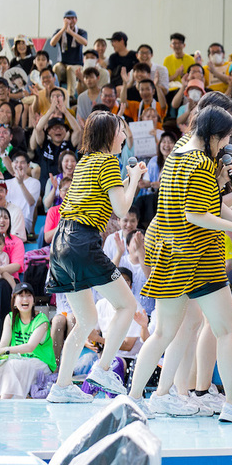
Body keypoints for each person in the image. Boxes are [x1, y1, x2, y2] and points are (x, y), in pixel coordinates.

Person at [126, 106, 232, 419]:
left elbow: (209, 204)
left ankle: (135, 397)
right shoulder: (200, 162)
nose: (227, 144)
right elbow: (197, 214)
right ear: (214, 135)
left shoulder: (178, 152)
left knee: (166, 332)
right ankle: (230, 405)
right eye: (226, 137)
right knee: (226, 330)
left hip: (170, 255)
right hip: (196, 255)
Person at [45, 112, 143, 403]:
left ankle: (61, 387)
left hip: (62, 243)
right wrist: (135, 178)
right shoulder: (109, 161)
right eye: (120, 131)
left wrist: (126, 179)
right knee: (127, 305)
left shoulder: (87, 160)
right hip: (82, 242)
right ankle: (102, 368)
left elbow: (110, 197)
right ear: (109, 135)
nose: (124, 137)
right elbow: (123, 209)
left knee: (86, 319)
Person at [0, 282, 55, 399]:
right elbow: (3, 343)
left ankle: (5, 401)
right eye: (21, 295)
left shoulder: (41, 320)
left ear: (34, 300)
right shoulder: (10, 318)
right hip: (18, 359)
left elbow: (30, 347)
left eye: (29, 295)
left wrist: (5, 351)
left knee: (13, 365)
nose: (25, 299)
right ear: (14, 301)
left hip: (40, 364)